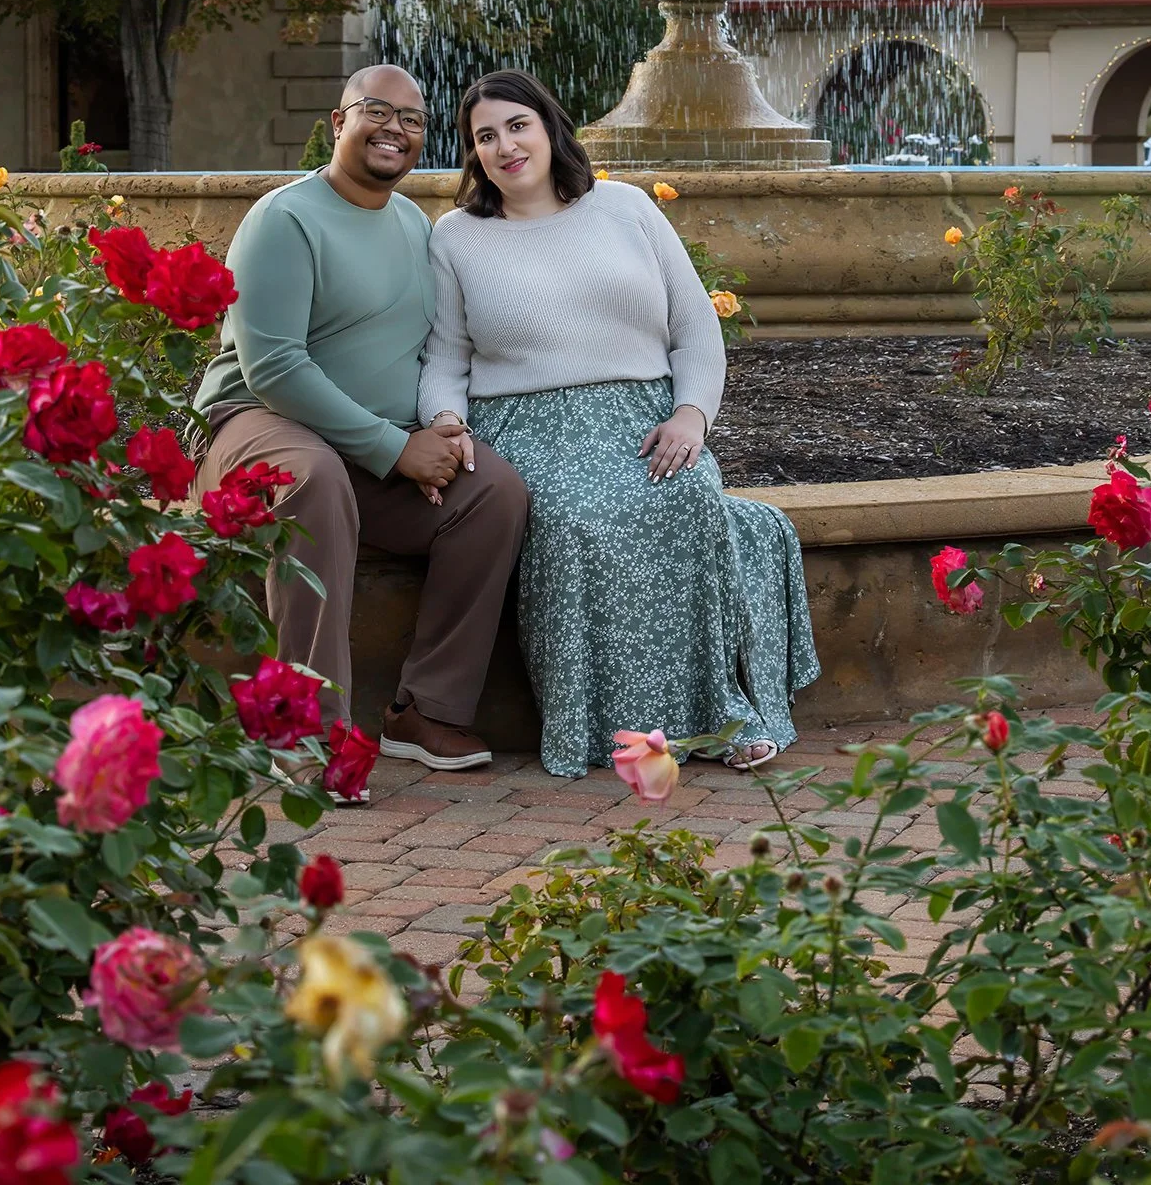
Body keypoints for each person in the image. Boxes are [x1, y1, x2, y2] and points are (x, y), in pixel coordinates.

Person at [417, 69, 819, 780]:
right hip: (529, 425)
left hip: (644, 416)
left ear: (548, 127)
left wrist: (692, 414)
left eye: (517, 126)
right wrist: (447, 424)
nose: (505, 146)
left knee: (691, 499)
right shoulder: (456, 237)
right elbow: (446, 356)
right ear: (473, 155)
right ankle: (613, 730)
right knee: (576, 518)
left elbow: (695, 327)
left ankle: (720, 718)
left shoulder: (626, 208)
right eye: (485, 137)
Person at [191, 64, 529, 778]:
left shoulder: (412, 223)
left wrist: (436, 430)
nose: (395, 130)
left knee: (493, 492)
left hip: (366, 447)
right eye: (377, 111)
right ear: (339, 122)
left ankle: (428, 710)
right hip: (257, 424)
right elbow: (274, 369)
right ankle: (306, 733)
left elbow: (430, 349)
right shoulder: (284, 219)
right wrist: (393, 447)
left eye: (411, 120)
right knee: (312, 478)